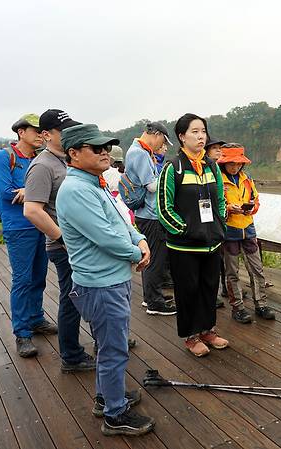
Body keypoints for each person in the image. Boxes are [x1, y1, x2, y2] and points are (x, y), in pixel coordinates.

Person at [56, 123, 154, 437]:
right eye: (95, 148)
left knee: (108, 345)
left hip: (112, 279)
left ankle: (106, 397)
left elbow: (122, 220)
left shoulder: (93, 183)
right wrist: (136, 253)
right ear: (73, 153)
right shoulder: (76, 190)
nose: (104, 152)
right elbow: (106, 237)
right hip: (100, 284)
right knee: (113, 349)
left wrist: (139, 239)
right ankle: (115, 414)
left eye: (105, 147)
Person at [23, 109, 96, 372]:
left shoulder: (65, 159)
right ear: (46, 135)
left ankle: (102, 339)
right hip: (64, 246)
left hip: (79, 243)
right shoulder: (43, 165)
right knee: (72, 297)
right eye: (63, 131)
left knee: (86, 293)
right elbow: (32, 209)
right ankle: (71, 356)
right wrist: (63, 239)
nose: (70, 135)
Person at [157, 113, 229, 357]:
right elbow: (164, 207)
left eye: (203, 131)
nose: (201, 137)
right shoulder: (172, 168)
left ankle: (208, 329)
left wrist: (219, 226)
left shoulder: (211, 166)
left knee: (210, 287)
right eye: (195, 132)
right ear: (181, 136)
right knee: (188, 290)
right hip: (184, 246)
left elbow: (220, 200)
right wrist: (186, 231)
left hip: (211, 242)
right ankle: (191, 335)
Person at [0, 113, 56, 358]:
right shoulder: (4, 157)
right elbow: (7, 192)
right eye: (37, 131)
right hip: (19, 227)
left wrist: (27, 191)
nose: (42, 136)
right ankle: (22, 333)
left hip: (42, 224)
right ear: (21, 132)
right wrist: (33, 191)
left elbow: (48, 191)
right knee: (22, 279)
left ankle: (36, 319)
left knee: (39, 276)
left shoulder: (39, 160)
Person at [218, 143, 275, 323]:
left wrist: (251, 209)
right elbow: (213, 205)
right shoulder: (217, 181)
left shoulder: (246, 178)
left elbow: (255, 199)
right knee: (232, 272)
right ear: (223, 163)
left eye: (238, 163)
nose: (235, 167)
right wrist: (228, 208)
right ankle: (238, 308)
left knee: (257, 269)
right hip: (229, 232)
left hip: (248, 230)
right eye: (231, 163)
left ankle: (261, 304)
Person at [125, 122, 176, 316]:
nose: (162, 144)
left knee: (154, 256)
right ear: (155, 135)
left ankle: (152, 296)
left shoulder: (138, 150)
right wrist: (168, 177)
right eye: (163, 140)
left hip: (145, 214)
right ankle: (154, 302)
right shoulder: (139, 153)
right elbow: (152, 186)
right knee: (156, 258)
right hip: (150, 214)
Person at [205, 137, 227, 307]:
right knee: (214, 259)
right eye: (215, 148)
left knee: (223, 258)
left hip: (221, 220)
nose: (219, 151)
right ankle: (214, 294)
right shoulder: (205, 168)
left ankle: (225, 288)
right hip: (208, 221)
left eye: (220, 148)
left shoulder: (222, 168)